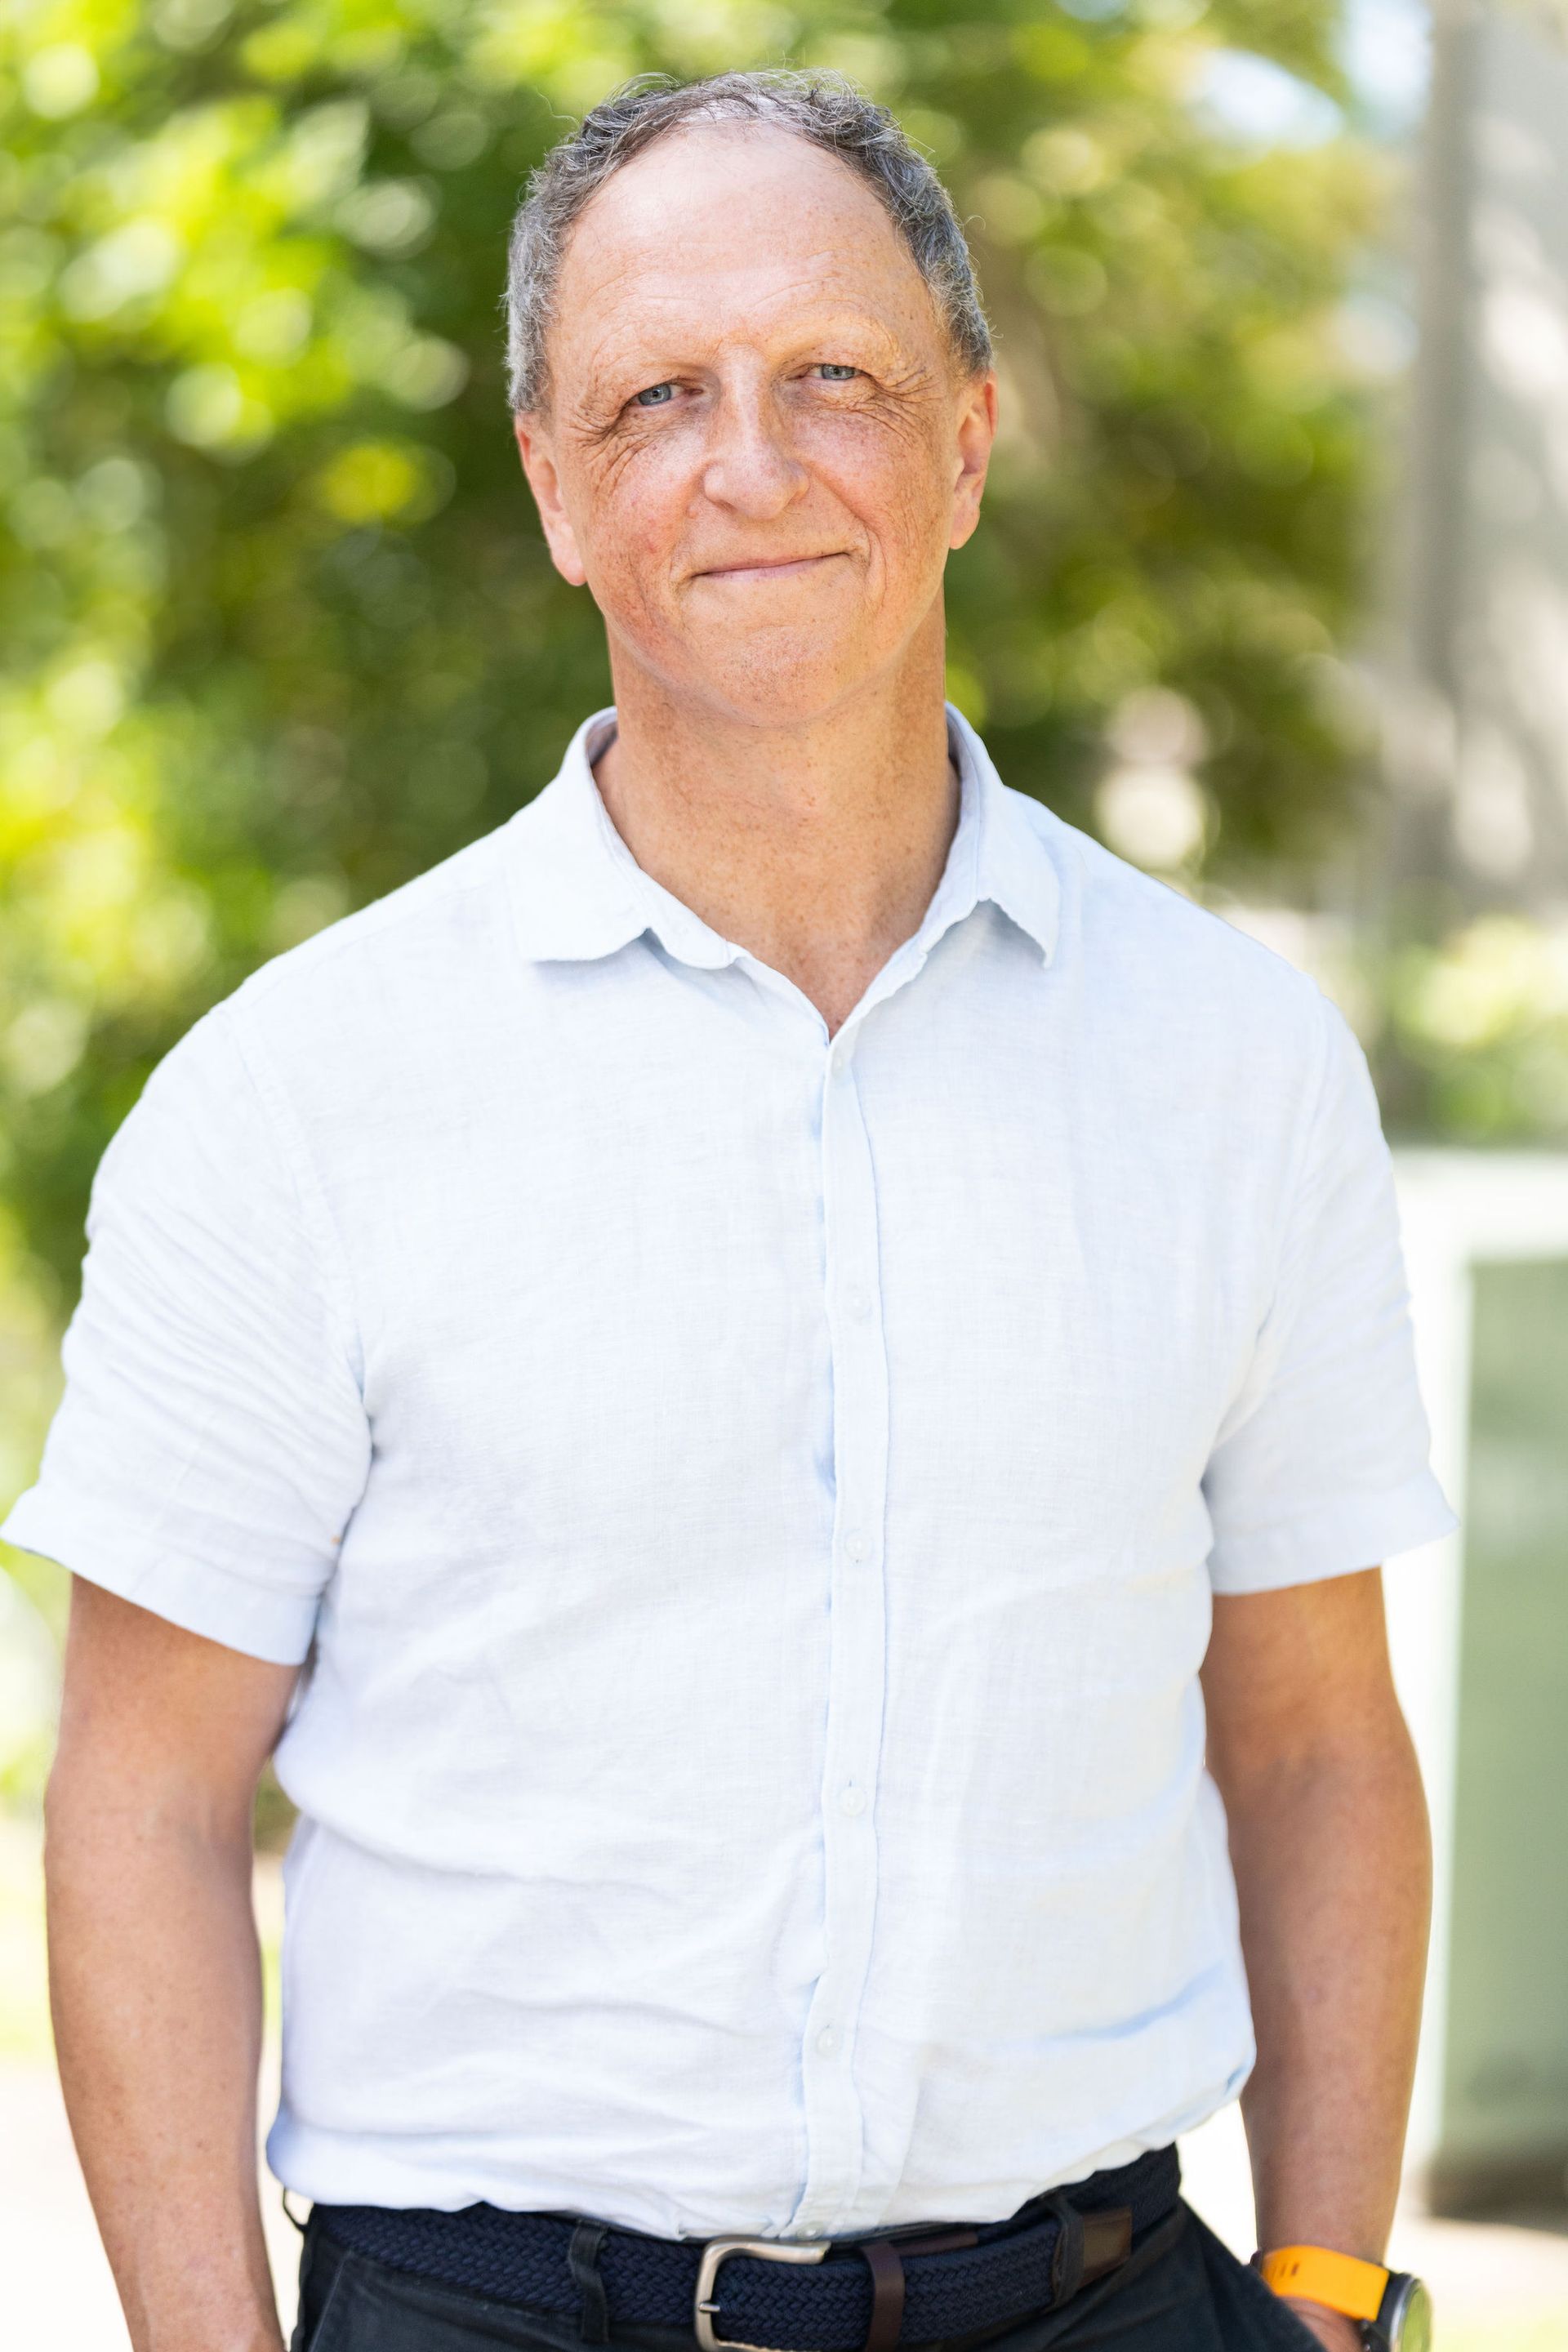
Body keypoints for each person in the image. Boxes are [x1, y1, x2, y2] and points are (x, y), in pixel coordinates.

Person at [8, 69, 1454, 2352]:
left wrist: (1331, 2292)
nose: (751, 467)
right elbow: (143, 1806)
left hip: (1107, 2302)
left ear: (968, 441)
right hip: (488, 2310)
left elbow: (1313, 1739)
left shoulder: (1232, 1064)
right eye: (660, 395)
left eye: (836, 382)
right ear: (557, 490)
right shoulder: (298, 1100)